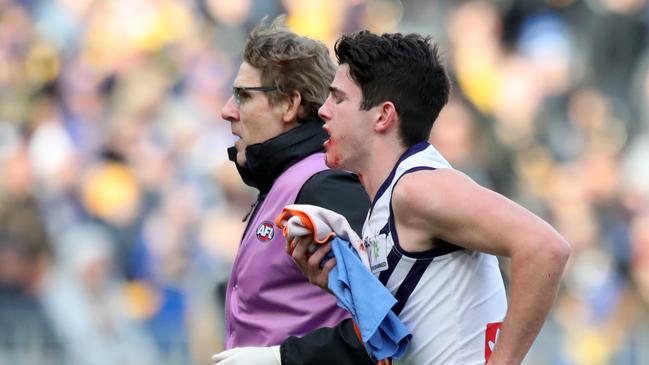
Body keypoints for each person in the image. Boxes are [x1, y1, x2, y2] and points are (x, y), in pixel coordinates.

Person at [288, 31, 571, 364]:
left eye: (337, 98)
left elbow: (546, 248)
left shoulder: (417, 187)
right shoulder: (391, 196)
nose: (323, 111)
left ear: (382, 115)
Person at [213, 16, 373, 364]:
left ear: (290, 104)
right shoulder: (286, 179)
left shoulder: (323, 183)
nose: (227, 111)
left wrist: (280, 358)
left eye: (242, 95)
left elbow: (387, 322)